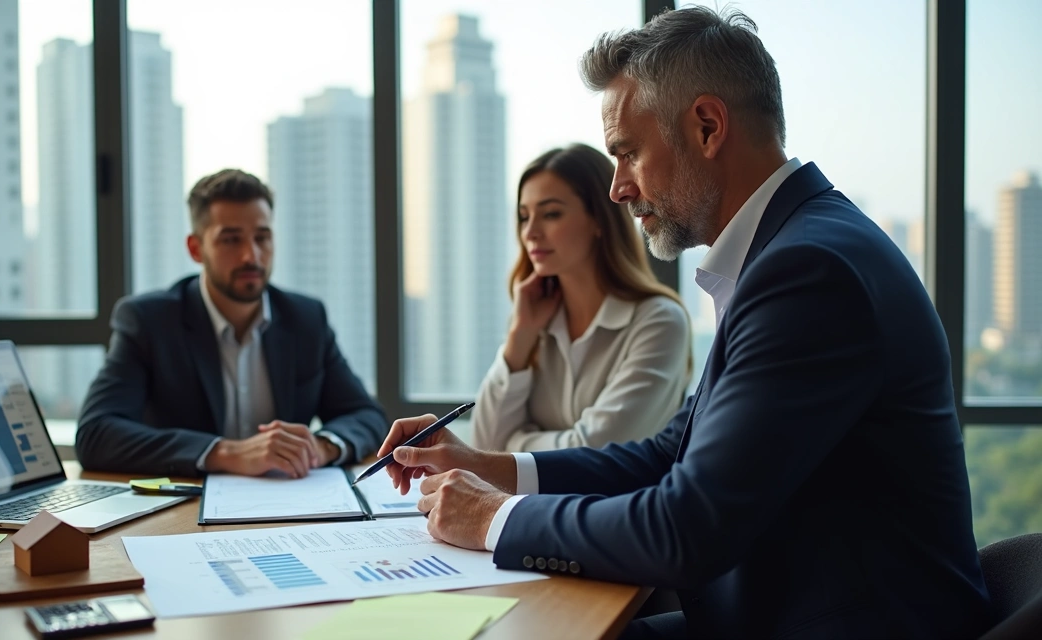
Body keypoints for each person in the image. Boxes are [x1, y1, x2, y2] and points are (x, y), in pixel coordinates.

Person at [378, 7, 991, 638]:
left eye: (628, 153)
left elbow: (687, 528)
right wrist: (490, 467)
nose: (618, 188)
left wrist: (494, 518)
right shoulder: (786, 251)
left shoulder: (808, 273)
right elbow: (673, 452)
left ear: (706, 126)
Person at [76, 169, 387, 478]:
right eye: (231, 240)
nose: (250, 256)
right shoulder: (149, 321)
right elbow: (96, 434)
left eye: (262, 238)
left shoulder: (305, 318)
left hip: (290, 506)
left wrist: (321, 446)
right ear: (196, 249)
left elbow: (366, 415)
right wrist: (225, 453)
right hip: (184, 512)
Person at [471, 144, 690, 452]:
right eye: (524, 216)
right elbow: (482, 447)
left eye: (551, 214)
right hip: (528, 502)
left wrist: (513, 444)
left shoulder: (659, 322)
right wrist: (519, 337)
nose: (530, 232)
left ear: (598, 220)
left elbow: (596, 451)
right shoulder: (532, 322)